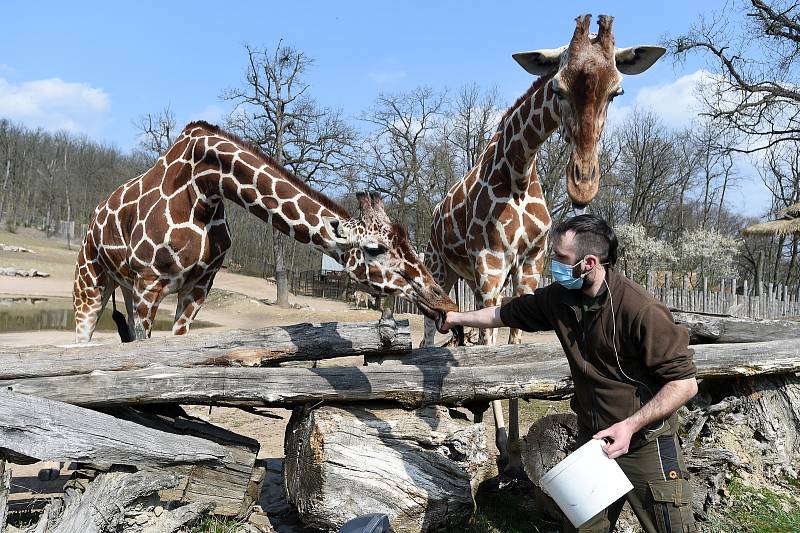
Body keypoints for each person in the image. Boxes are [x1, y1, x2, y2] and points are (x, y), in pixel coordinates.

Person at [440, 214, 698, 533]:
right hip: (593, 441)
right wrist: (455, 318)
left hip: (646, 441)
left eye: (561, 258)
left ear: (588, 262)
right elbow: (503, 314)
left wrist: (630, 426)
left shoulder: (640, 309)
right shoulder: (559, 299)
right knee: (582, 528)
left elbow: (684, 384)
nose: (553, 264)